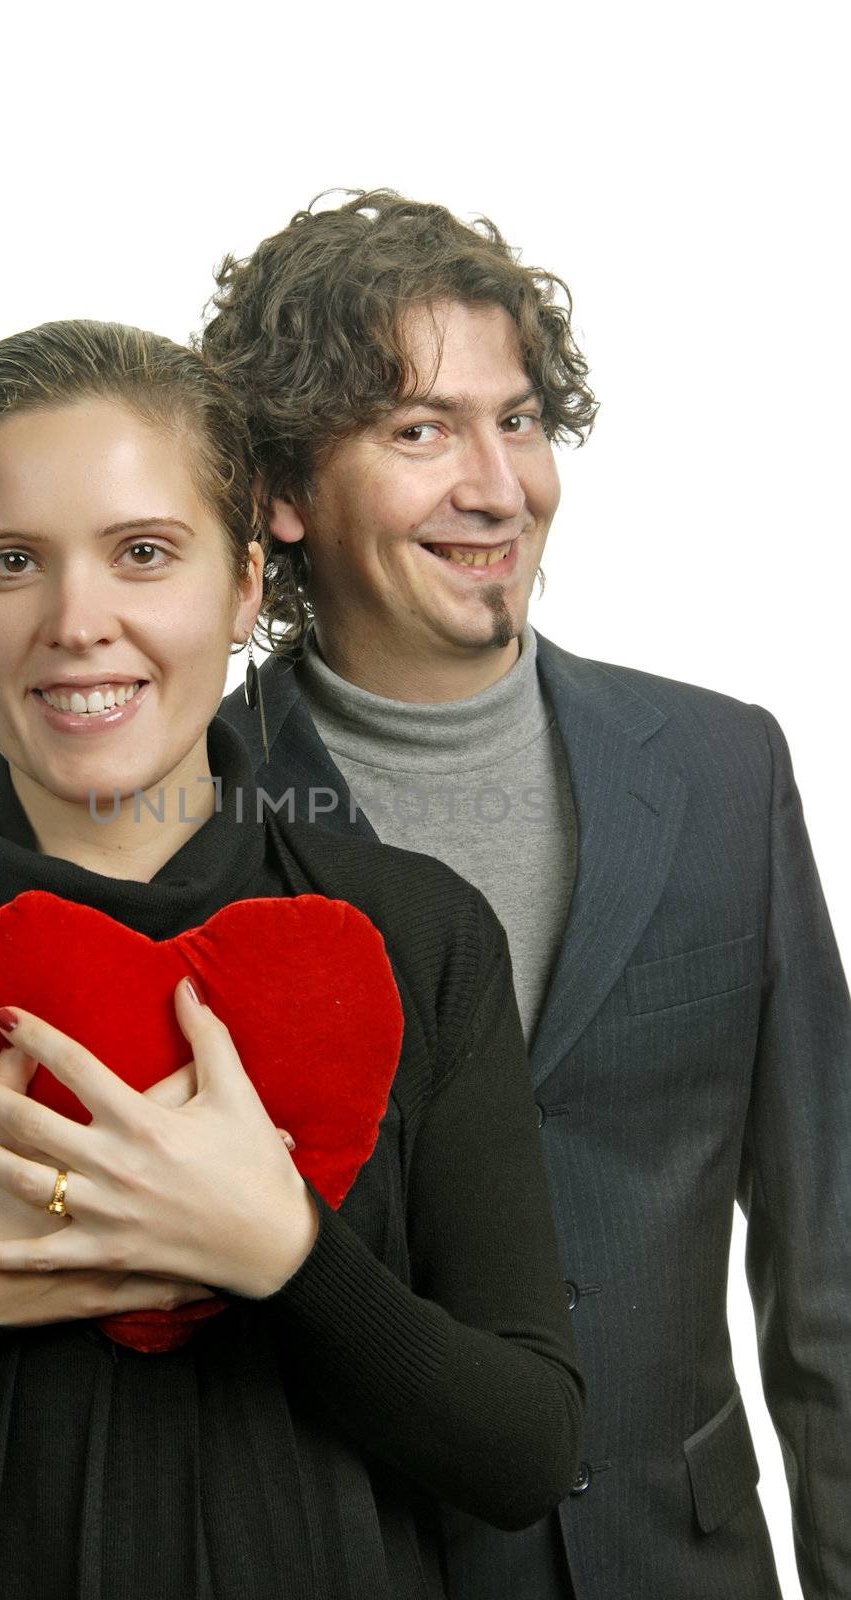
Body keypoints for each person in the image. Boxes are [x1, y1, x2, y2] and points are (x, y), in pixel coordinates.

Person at [0, 320, 584, 1599]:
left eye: (143, 554)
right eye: (10, 563)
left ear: (247, 587)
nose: (75, 621)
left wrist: (284, 1254)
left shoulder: (417, 934)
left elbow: (527, 1450)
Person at [206, 192, 851, 1600]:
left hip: (676, 1564)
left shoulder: (719, 769)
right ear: (281, 492)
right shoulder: (192, 812)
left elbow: (828, 1280)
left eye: (516, 420)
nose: (495, 486)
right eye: (418, 430)